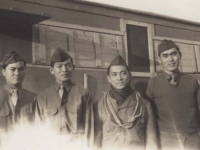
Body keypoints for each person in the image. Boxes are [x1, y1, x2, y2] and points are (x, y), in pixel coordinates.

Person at [93, 55, 159, 150]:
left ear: (129, 75)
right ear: (109, 78)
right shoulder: (99, 105)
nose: (119, 78)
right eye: (114, 74)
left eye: (123, 73)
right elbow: (96, 141)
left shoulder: (144, 104)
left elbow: (152, 141)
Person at [146, 40, 200, 150]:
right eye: (165, 56)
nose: (170, 59)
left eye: (173, 54)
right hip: (166, 140)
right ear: (159, 60)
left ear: (179, 56)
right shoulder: (153, 83)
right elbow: (148, 116)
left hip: (192, 140)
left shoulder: (192, 81)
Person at [35, 48, 93, 146]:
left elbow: (90, 128)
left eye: (68, 65)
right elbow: (39, 130)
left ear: (73, 68)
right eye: (59, 66)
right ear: (52, 70)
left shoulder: (83, 94)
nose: (64, 70)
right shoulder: (42, 97)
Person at [0, 51, 36, 132]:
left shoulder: (33, 99)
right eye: (12, 69)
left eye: (21, 69)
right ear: (4, 72)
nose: (17, 73)